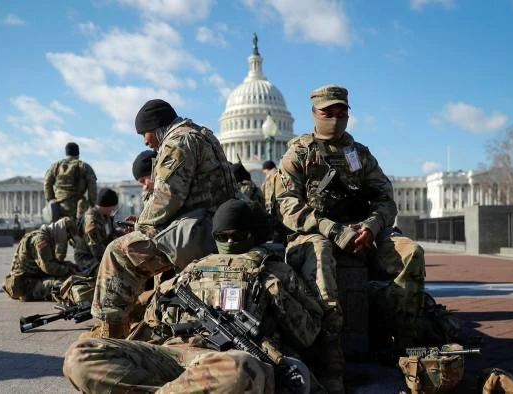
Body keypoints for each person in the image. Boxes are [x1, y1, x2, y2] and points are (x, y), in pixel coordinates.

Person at [63, 199, 325, 394]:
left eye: (238, 236)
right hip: (175, 356)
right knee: (80, 355)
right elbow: (154, 322)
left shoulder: (273, 271)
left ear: (253, 235)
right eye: (223, 237)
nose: (231, 243)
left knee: (240, 370)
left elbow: (307, 334)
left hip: (226, 362)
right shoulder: (192, 269)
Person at [276, 85, 426, 391]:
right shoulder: (298, 154)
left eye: (341, 112)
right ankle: (332, 364)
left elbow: (385, 198)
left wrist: (371, 226)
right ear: (314, 114)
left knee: (411, 252)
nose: (335, 118)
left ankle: (404, 347)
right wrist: (332, 229)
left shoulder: (358, 154)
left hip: (361, 233)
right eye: (327, 112)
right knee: (321, 254)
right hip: (315, 234)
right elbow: (288, 206)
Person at [88, 98, 238, 339]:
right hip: (214, 225)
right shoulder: (203, 135)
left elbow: (167, 198)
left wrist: (140, 225)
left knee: (116, 253)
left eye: (144, 134)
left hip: (200, 232)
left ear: (155, 127)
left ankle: (110, 338)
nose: (145, 141)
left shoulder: (177, 142)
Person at [2, 217, 81, 301]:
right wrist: (70, 270)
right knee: (62, 285)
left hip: (31, 279)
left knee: (66, 279)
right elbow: (48, 267)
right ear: (63, 233)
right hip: (25, 285)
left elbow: (52, 263)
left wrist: (72, 267)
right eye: (68, 237)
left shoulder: (46, 236)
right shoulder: (41, 240)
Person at [43, 142, 98, 220]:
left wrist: (51, 200)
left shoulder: (56, 166)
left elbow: (47, 183)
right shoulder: (85, 167)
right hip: (78, 207)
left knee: (59, 229)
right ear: (78, 154)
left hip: (58, 207)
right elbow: (92, 188)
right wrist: (91, 204)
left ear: (66, 153)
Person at [72, 188, 121, 273]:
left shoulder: (105, 216)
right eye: (113, 207)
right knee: (116, 272)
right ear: (107, 205)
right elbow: (97, 250)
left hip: (102, 254)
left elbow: (112, 233)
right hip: (88, 259)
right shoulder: (91, 221)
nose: (113, 209)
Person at [261, 160, 288, 244]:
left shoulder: (272, 178)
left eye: (265, 173)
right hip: (284, 214)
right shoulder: (282, 174)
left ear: (267, 170)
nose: (265, 175)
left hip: (277, 216)